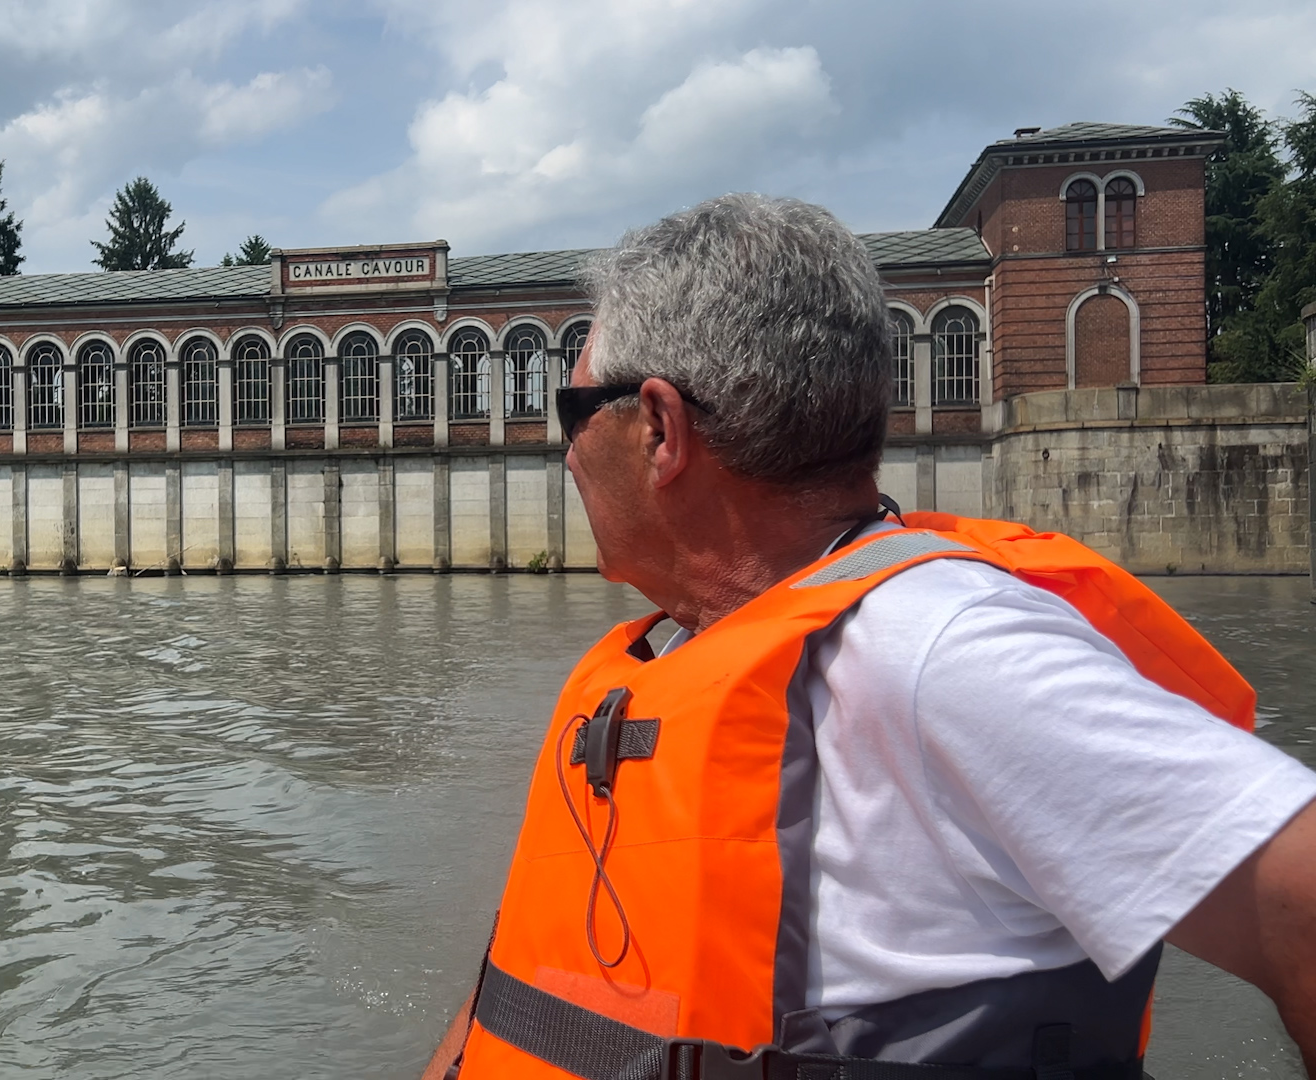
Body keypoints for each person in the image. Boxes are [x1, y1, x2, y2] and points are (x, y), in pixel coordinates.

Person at [422, 194, 1316, 1080]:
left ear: (661, 429)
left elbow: (1301, 904)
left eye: (575, 411)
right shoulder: (686, 644)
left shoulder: (936, 645)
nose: (567, 450)